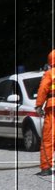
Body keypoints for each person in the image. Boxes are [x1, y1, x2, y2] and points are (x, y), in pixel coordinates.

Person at [37, 50, 55, 178]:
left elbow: (43, 88)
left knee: (49, 138)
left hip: (52, 108)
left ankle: (46, 167)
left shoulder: (49, 73)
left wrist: (39, 105)